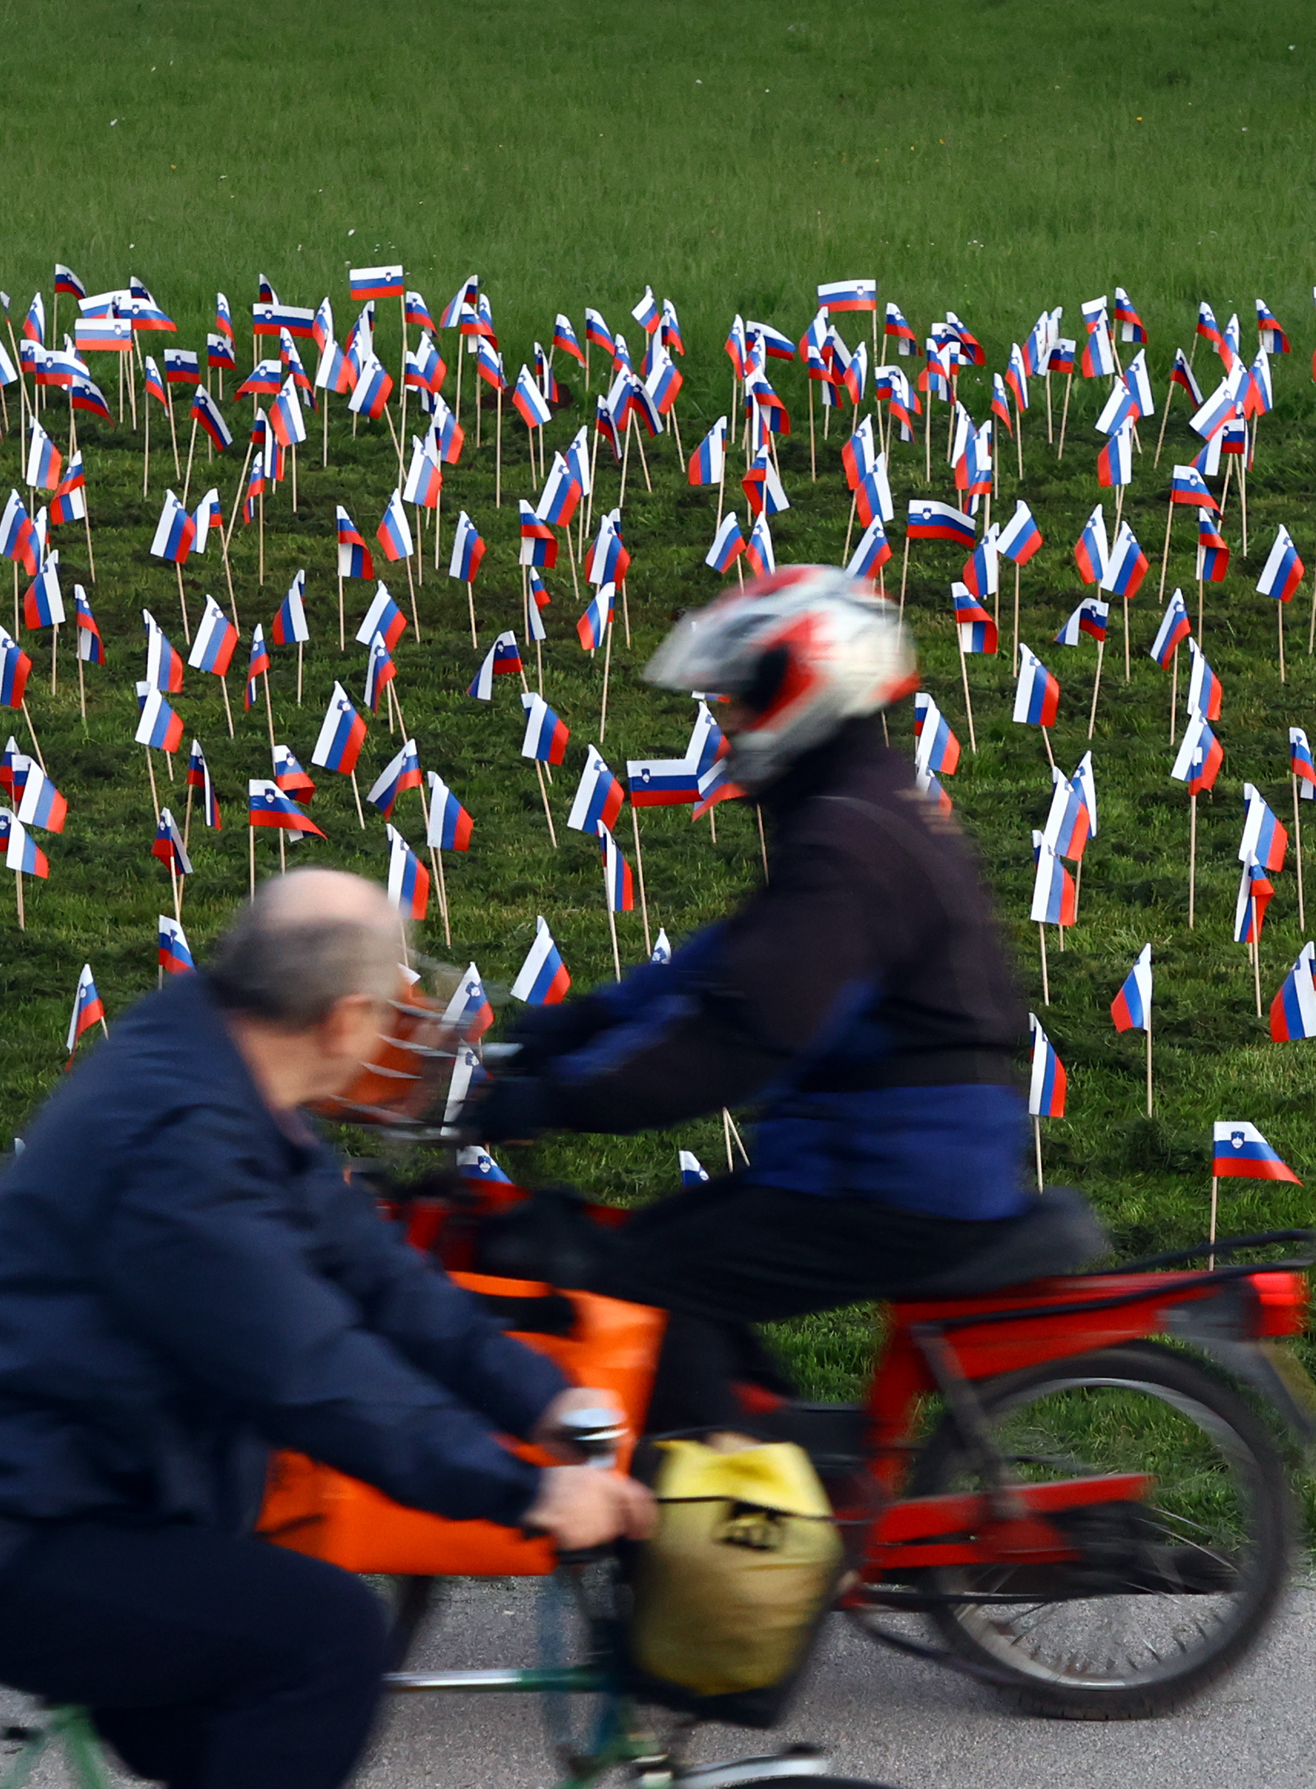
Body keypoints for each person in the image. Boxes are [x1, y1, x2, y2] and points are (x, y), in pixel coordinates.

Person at [0, 868, 658, 1789]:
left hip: (66, 1501)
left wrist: (548, 1403)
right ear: (342, 1019)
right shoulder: (181, 1141)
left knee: (249, 1729)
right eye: (393, 1003)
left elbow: (382, 1285)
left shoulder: (224, 1081)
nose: (405, 1026)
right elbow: (313, 1372)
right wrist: (525, 1493)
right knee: (322, 1638)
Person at [461, 566, 1094, 1436]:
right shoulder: (855, 809)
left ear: (804, 688)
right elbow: (724, 963)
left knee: (641, 1278)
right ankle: (775, 1470)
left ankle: (743, 1525)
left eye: (739, 698)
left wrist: (564, 1096)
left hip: (892, 1177)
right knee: (661, 1253)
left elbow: (745, 1032)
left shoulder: (845, 839)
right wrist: (583, 1024)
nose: (725, 722)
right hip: (880, 1158)